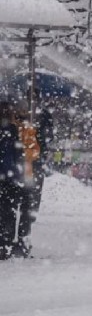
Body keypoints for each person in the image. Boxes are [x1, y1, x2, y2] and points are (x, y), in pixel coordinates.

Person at [13, 90, 52, 257]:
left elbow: (45, 139)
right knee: (21, 204)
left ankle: (22, 238)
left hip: (31, 166)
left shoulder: (40, 117)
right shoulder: (18, 119)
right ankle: (18, 239)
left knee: (29, 204)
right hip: (23, 167)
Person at [0, 100, 25, 260]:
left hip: (7, 176)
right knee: (8, 213)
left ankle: (5, 244)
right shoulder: (13, 129)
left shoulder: (13, 129)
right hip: (9, 177)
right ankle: (5, 245)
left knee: (6, 212)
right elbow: (18, 154)